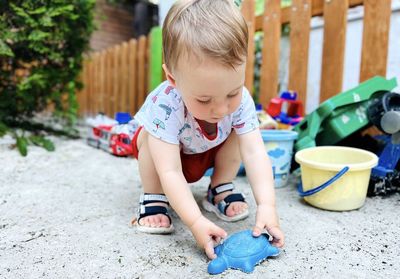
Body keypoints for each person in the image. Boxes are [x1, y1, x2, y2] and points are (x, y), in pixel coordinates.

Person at [131, 0, 284, 260]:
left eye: (232, 92)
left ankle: (219, 187)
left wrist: (267, 205)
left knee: (242, 130)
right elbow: (170, 170)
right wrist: (195, 222)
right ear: (173, 79)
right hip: (169, 159)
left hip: (210, 150)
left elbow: (255, 152)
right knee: (149, 137)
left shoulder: (241, 102)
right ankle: (154, 196)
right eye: (204, 99)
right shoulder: (166, 103)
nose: (221, 108)